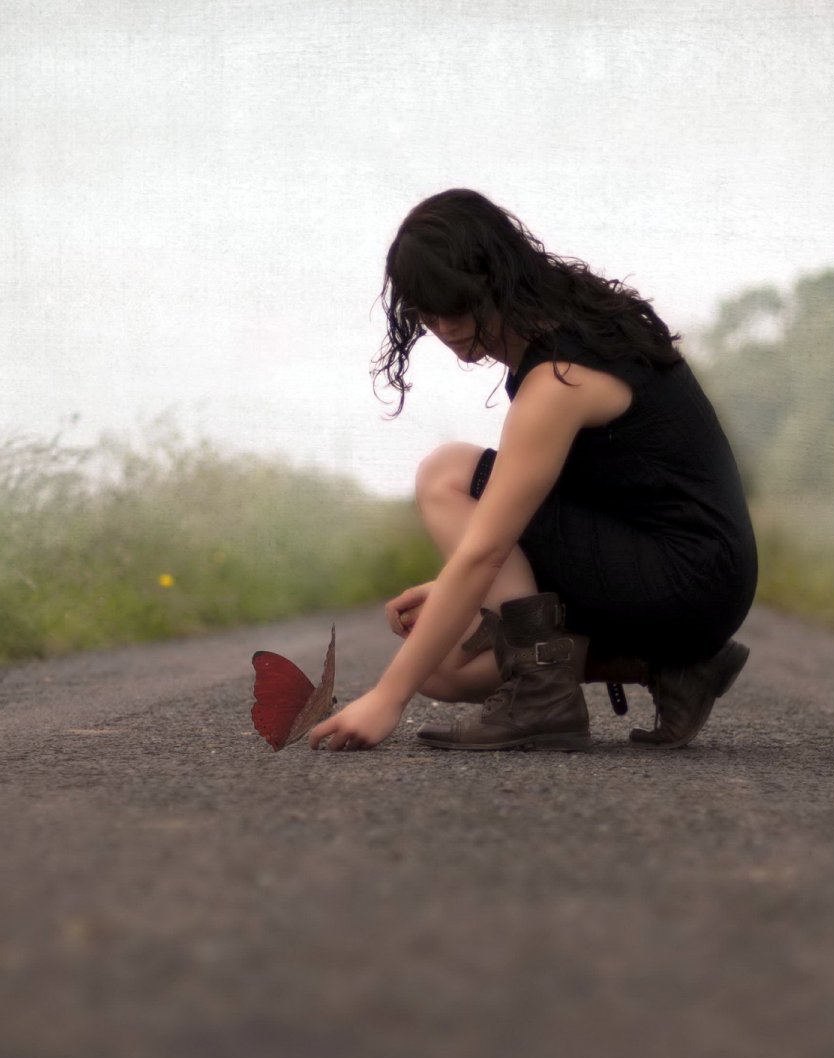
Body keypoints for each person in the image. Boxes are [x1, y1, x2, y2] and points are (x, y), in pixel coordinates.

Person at [307, 188, 757, 753]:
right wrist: (451, 594)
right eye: (428, 312)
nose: (445, 327)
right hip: (684, 569)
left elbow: (488, 547)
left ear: (494, 280)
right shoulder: (569, 319)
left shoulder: (559, 377)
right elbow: (564, 507)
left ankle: (542, 694)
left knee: (446, 474)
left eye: (458, 306)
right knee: (442, 666)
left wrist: (387, 697)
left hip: (688, 573)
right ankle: (670, 667)